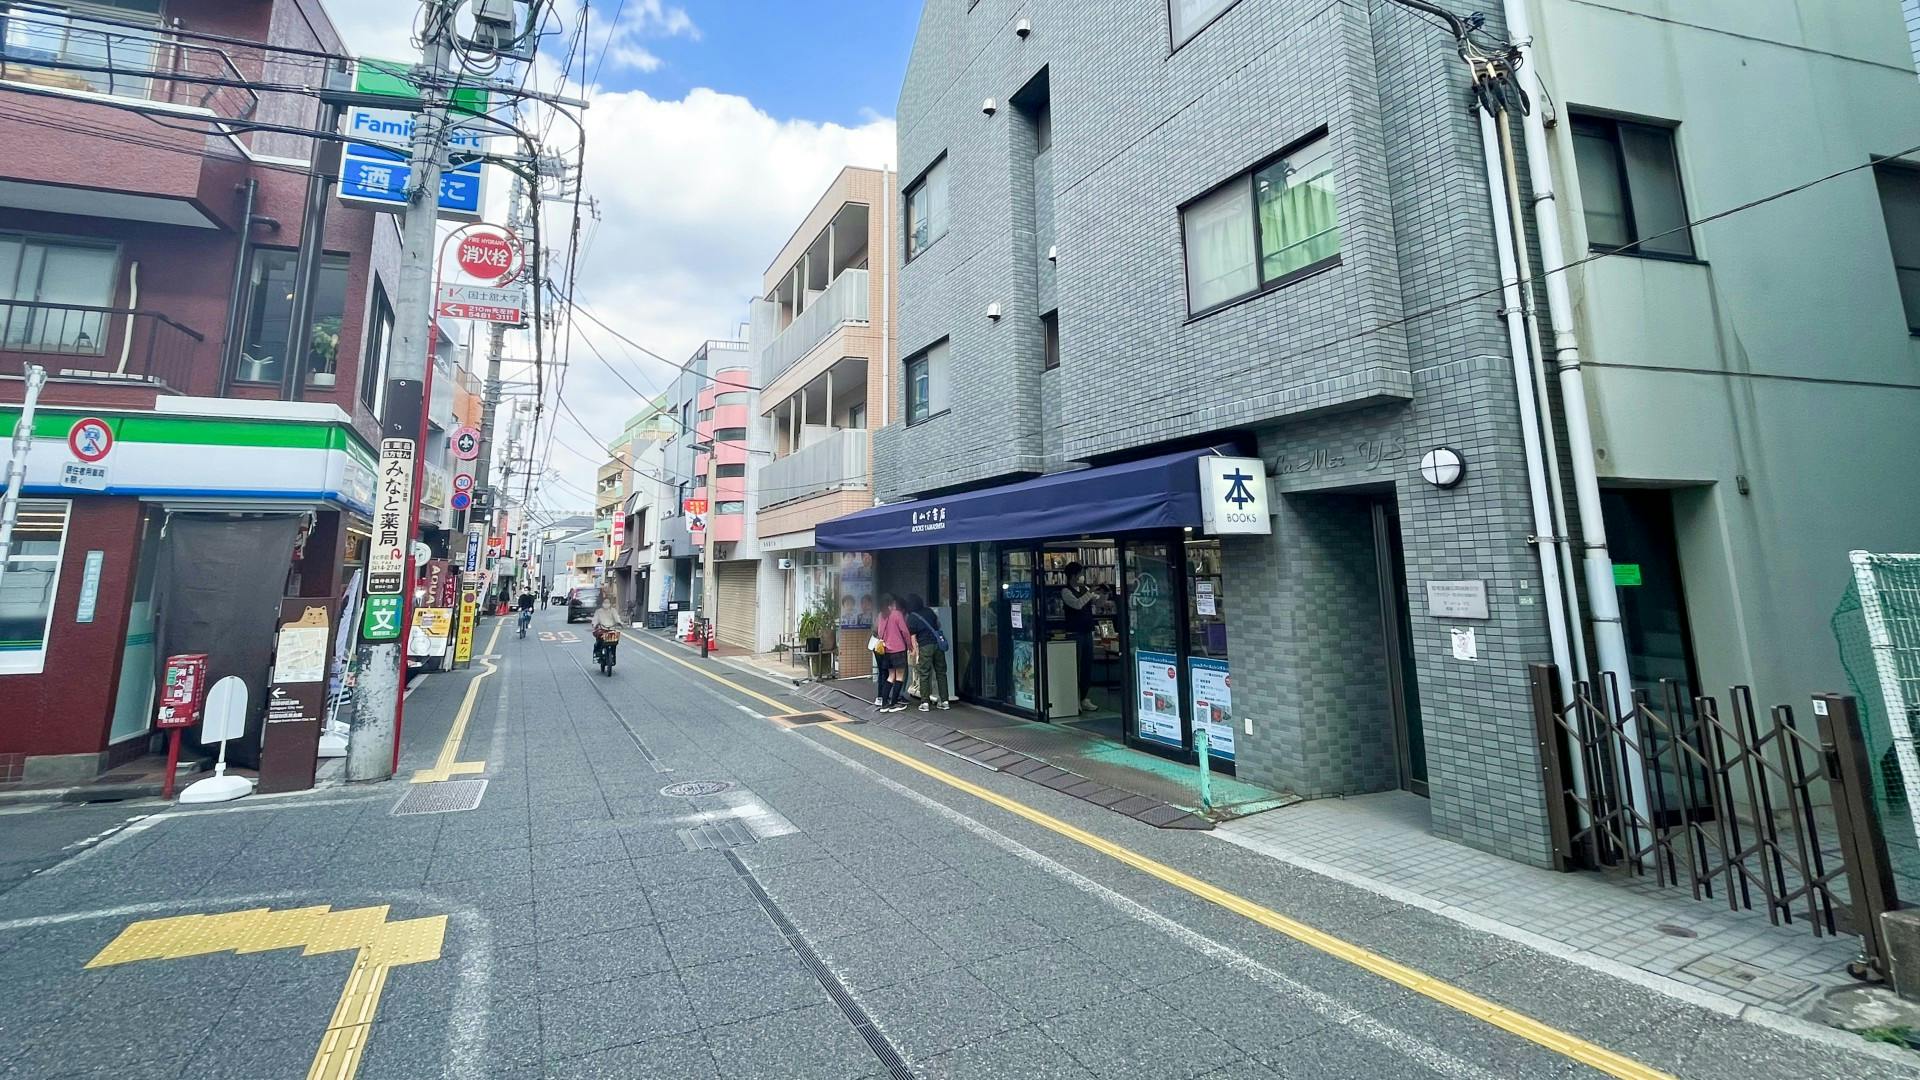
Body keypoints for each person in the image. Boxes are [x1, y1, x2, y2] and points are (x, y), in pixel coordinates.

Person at [1061, 562, 1100, 712]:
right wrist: (1090, 593)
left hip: (1087, 631)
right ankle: (1074, 698)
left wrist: (1104, 594)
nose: (1082, 577)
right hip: (1074, 632)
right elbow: (1077, 604)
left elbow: (1098, 601)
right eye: (1079, 574)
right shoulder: (1065, 591)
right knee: (1075, 666)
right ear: (1073, 575)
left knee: (1086, 665)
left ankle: (1084, 697)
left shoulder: (1085, 589)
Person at [905, 595, 950, 712]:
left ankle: (925, 703)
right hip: (938, 645)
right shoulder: (929, 611)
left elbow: (913, 638)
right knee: (941, 672)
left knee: (924, 673)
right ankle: (944, 701)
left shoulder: (911, 618)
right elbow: (938, 625)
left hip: (925, 646)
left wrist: (915, 653)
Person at [873, 593, 912, 712]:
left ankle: (884, 704)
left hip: (886, 651)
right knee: (899, 676)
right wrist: (909, 645)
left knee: (890, 676)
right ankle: (893, 703)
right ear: (892, 603)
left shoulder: (881, 615)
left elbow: (879, 633)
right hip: (899, 650)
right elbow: (905, 631)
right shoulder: (897, 614)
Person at [591, 594, 622, 666]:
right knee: (598, 643)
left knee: (614, 643)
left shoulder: (613, 611)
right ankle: (597, 656)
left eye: (608, 602)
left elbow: (617, 617)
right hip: (602, 630)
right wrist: (594, 624)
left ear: (610, 603)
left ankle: (613, 657)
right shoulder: (598, 611)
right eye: (605, 602)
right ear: (602, 603)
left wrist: (619, 623)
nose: (606, 604)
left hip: (611, 630)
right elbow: (595, 619)